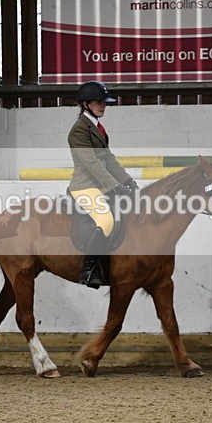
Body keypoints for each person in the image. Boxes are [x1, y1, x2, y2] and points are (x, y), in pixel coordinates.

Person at [68, 81, 139, 288]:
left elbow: (109, 159)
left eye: (105, 102)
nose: (103, 106)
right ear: (86, 104)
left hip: (100, 184)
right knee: (106, 221)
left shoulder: (97, 126)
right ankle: (88, 271)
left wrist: (127, 180)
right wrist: (114, 187)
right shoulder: (79, 130)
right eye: (99, 102)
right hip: (85, 186)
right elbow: (91, 163)